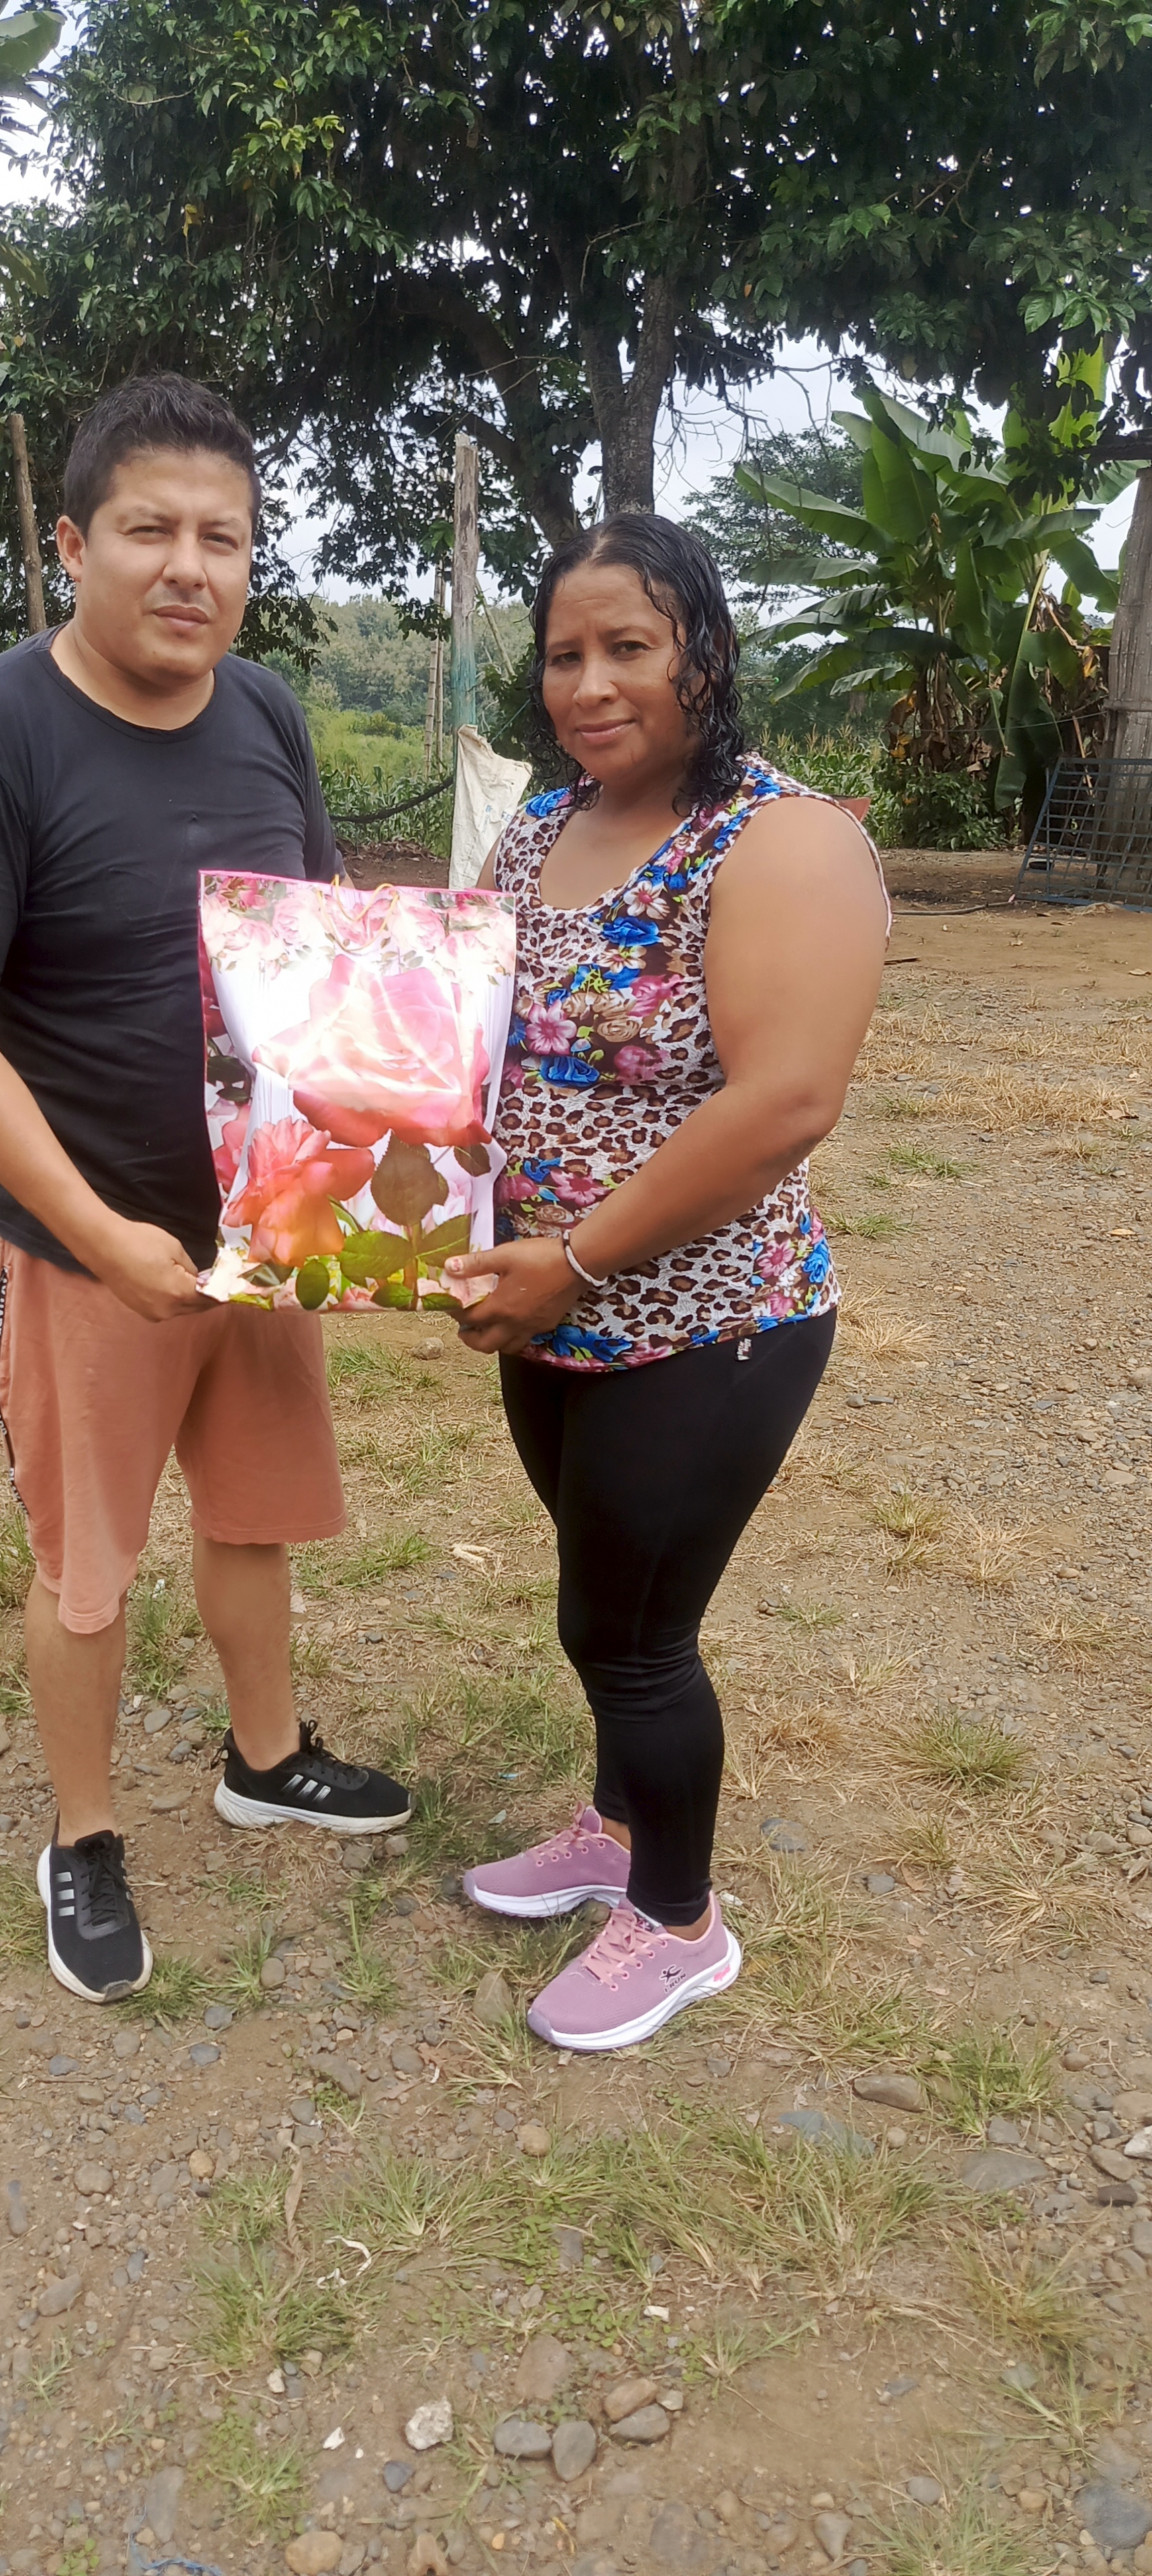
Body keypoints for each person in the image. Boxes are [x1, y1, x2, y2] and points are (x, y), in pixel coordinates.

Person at [0, 375, 409, 2009]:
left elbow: (320, 939)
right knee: (86, 1566)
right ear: (72, 545)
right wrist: (96, 1232)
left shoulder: (266, 712)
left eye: (223, 538)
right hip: (81, 1243)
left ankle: (267, 1756)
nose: (190, 567)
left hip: (266, 1221)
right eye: (150, 530)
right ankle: (85, 1833)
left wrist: (382, 1175)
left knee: (255, 1513)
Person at [448, 513, 888, 2053]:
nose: (589, 683)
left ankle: (682, 1920)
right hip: (548, 1309)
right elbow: (456, 1032)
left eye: (628, 646)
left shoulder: (784, 842)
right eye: (564, 653)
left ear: (704, 651)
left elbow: (786, 1101)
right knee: (602, 1595)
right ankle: (617, 1829)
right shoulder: (539, 830)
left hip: (708, 1321)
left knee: (632, 1632)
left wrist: (573, 1259)